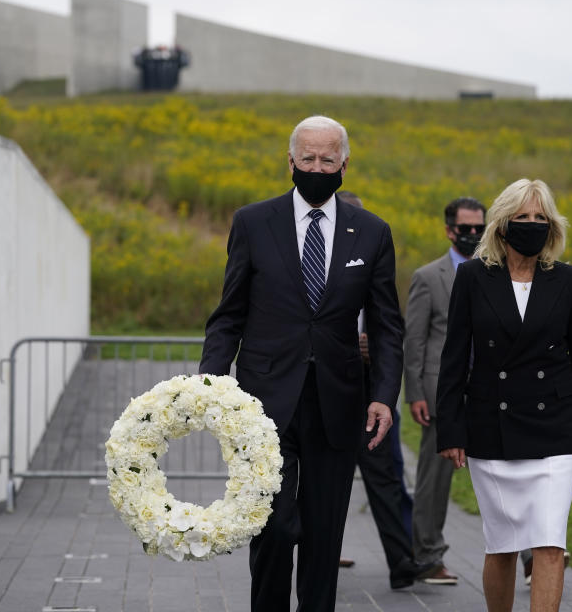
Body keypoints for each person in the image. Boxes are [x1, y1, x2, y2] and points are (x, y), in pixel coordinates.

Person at [199, 116, 410, 610]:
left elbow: (386, 326)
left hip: (338, 405)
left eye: (328, 159)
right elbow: (228, 315)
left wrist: (382, 395)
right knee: (274, 527)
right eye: (309, 158)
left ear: (345, 164)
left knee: (322, 535)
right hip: (264, 404)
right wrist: (210, 384)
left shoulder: (373, 233)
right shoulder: (253, 222)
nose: (318, 167)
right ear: (291, 161)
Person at [436, 179, 572, 612]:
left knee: (550, 543)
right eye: (522, 217)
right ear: (502, 223)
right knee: (502, 545)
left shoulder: (570, 280)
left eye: (540, 217)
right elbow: (455, 356)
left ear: (552, 225)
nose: (531, 225)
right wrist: (450, 429)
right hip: (492, 430)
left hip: (557, 429)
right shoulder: (473, 276)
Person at [335, 190, 437, 588]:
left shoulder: (374, 261)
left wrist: (373, 351)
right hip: (327, 395)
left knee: (387, 482)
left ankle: (402, 564)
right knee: (324, 483)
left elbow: (391, 328)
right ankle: (319, 559)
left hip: (370, 397)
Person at [403, 196, 486, 586]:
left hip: (490, 394)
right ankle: (428, 557)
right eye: (465, 228)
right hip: (440, 397)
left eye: (479, 228)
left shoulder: (496, 272)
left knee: (510, 474)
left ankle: (531, 555)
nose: (472, 235)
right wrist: (415, 392)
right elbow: (414, 341)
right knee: (434, 483)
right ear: (449, 229)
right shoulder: (428, 276)